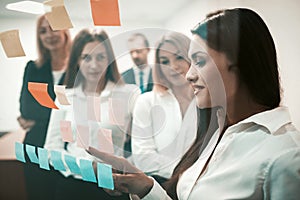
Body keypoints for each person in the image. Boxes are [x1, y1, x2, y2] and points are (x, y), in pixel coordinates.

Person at [89, 8, 300, 199]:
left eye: (198, 61)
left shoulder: (285, 155)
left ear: (239, 62)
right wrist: (145, 187)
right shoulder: (216, 133)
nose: (189, 75)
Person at [44, 29, 139, 200]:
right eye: (86, 57)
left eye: (100, 57)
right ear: (77, 61)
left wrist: (125, 171)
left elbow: (142, 145)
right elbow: (52, 149)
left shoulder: (128, 95)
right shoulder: (65, 98)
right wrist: (89, 167)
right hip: (72, 187)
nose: (94, 65)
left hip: (114, 186)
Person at [131, 31, 197, 186]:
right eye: (165, 61)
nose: (173, 67)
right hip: (162, 187)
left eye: (179, 57)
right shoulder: (146, 102)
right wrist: (191, 171)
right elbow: (143, 158)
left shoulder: (208, 102)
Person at [18, 14, 71, 200]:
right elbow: (26, 109)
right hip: (36, 146)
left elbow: (82, 110)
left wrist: (39, 117)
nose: (49, 35)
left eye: (54, 28)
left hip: (69, 146)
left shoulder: (79, 68)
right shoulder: (33, 68)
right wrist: (64, 113)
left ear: (65, 31)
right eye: (42, 31)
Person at [122, 33, 154, 156]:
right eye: (131, 52)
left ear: (148, 49)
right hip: (130, 137)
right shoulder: (121, 78)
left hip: (155, 131)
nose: (135, 55)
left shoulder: (160, 75)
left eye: (139, 51)